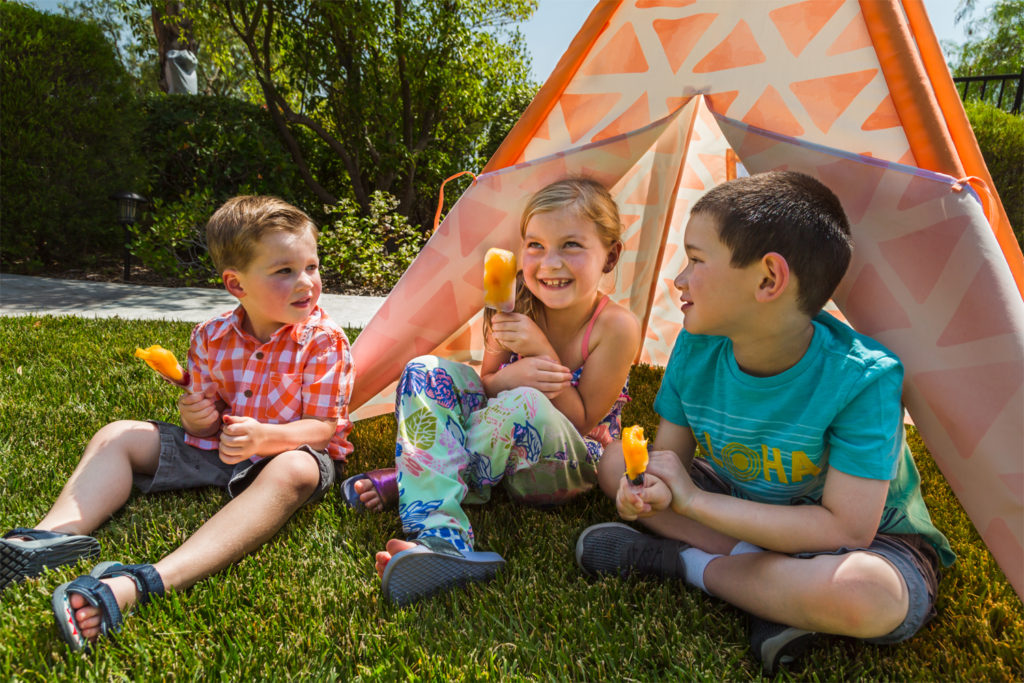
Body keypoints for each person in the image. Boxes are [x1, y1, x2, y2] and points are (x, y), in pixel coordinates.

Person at [574, 171, 954, 674]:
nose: (679, 280)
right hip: (737, 500)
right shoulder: (696, 345)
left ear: (768, 279)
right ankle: (775, 595)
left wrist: (692, 503)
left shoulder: (863, 379)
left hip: (859, 540)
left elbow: (846, 527)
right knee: (616, 462)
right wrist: (650, 490)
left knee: (872, 594)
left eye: (696, 260)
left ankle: (684, 564)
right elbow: (669, 462)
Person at [0, 196, 354, 652]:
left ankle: (142, 582)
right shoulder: (210, 337)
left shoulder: (325, 342)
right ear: (236, 284)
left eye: (311, 266)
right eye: (284, 271)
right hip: (220, 452)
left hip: (291, 455)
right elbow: (203, 424)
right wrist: (197, 418)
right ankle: (51, 538)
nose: (307, 282)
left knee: (297, 470)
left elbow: (325, 427)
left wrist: (269, 437)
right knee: (118, 434)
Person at [349, 177, 642, 605]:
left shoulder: (616, 327)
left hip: (567, 461)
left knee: (525, 402)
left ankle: (423, 473)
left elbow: (583, 420)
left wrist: (538, 351)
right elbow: (487, 385)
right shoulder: (514, 302)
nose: (549, 263)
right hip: (500, 437)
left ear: (610, 255)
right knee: (427, 370)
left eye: (571, 246)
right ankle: (440, 537)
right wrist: (507, 375)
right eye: (535, 245)